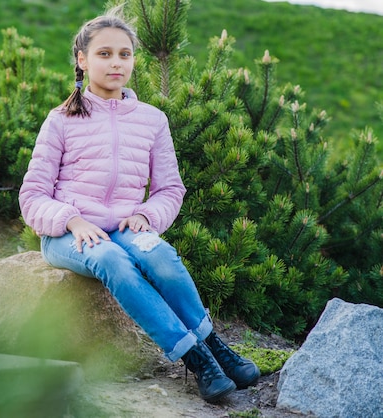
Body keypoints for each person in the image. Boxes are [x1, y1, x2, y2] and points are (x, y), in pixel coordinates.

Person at [18, 8, 260, 404]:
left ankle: (214, 343)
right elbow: (32, 196)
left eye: (125, 54)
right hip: (67, 234)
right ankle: (196, 358)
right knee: (112, 260)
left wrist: (146, 215)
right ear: (82, 59)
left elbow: (170, 189)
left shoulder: (152, 120)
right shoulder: (60, 120)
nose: (116, 63)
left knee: (161, 256)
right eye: (105, 54)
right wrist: (72, 221)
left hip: (126, 228)